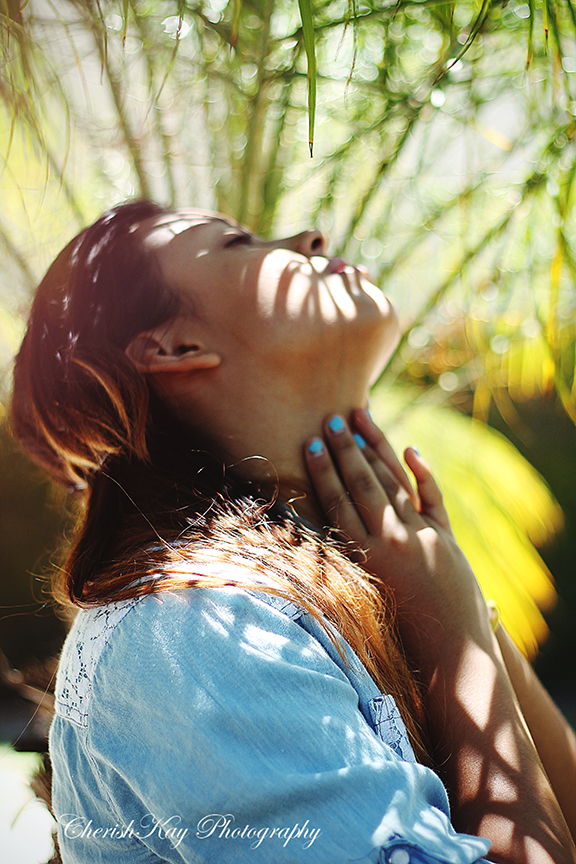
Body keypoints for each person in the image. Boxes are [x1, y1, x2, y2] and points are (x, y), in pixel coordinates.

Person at [10, 200, 576, 864]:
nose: (310, 236)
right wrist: (456, 637)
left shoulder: (350, 588)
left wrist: (454, 600)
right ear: (172, 346)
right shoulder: (192, 630)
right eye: (237, 242)